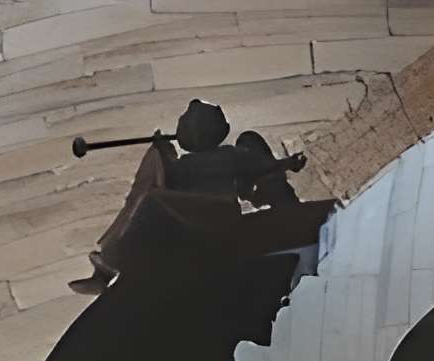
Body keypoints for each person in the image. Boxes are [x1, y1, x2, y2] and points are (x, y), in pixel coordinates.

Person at [70, 101, 311, 297]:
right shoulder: (187, 164)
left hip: (217, 213)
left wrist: (288, 163)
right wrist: (160, 151)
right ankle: (108, 266)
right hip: (198, 216)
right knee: (149, 202)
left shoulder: (229, 156)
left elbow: (262, 165)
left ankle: (112, 263)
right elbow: (165, 176)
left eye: (185, 124)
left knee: (153, 202)